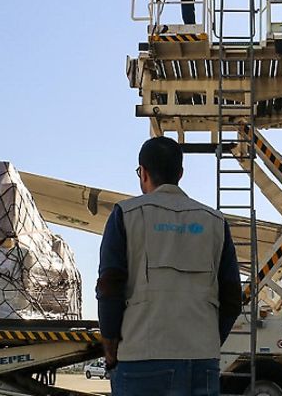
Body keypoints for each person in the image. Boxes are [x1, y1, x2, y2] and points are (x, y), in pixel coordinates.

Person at [97, 136, 241, 396]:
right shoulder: (215, 221)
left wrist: (110, 347)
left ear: (143, 173)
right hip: (201, 360)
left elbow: (109, 287)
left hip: (142, 358)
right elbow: (232, 297)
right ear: (181, 174)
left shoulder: (126, 214)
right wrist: (207, 342)